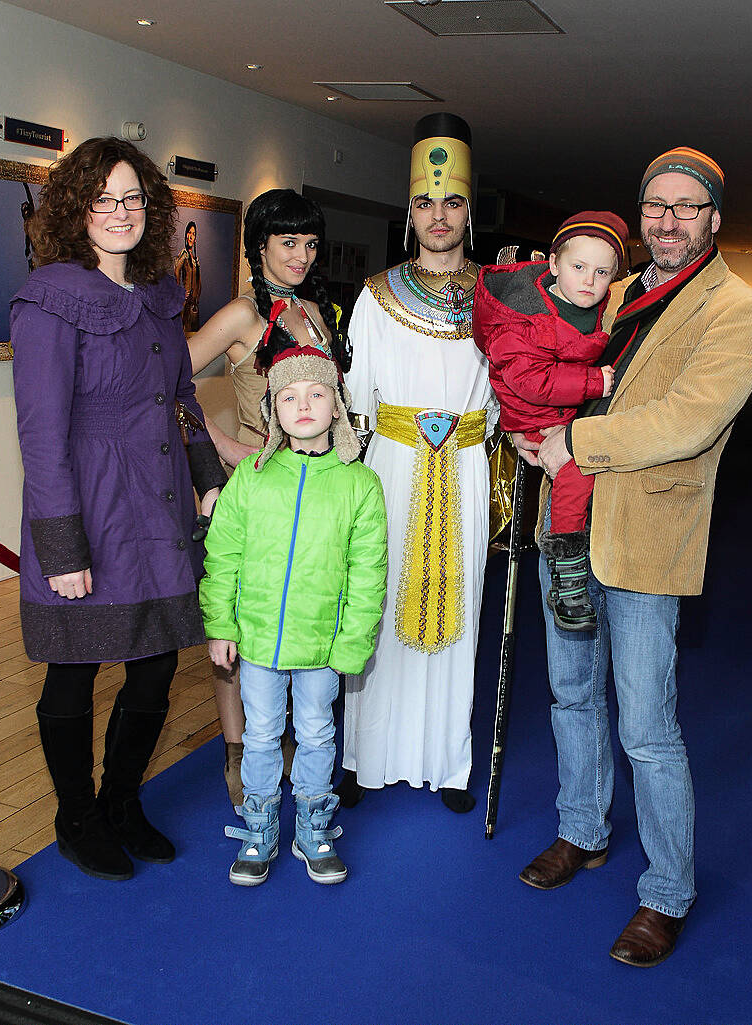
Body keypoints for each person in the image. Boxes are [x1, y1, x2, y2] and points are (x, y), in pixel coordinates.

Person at [515, 147, 752, 966]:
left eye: (684, 208)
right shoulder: (614, 289)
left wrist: (568, 440)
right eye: (653, 207)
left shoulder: (739, 309)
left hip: (645, 537)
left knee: (648, 727)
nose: (666, 221)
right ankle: (580, 830)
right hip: (570, 524)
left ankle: (665, 892)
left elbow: (684, 421)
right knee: (568, 695)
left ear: (713, 219)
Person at [10, 136, 227, 882]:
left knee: (156, 663)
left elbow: (183, 399)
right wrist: (63, 550)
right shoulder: (48, 300)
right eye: (103, 197)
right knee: (73, 668)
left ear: (152, 208)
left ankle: (122, 802)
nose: (119, 211)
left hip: (160, 502)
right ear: (76, 208)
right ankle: (76, 817)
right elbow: (41, 437)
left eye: (133, 197)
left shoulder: (162, 298)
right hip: (90, 507)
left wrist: (207, 475)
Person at [337, 113, 498, 814]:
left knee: (459, 606)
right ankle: (363, 757)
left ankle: (448, 762)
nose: (439, 216)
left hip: (463, 465)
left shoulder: (500, 298)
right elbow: (352, 401)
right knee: (376, 597)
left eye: (452, 202)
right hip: (393, 466)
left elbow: (508, 393)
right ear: (410, 211)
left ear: (468, 210)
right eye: (426, 203)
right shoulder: (374, 297)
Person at [200, 346, 387, 886]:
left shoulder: (358, 485)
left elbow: (367, 572)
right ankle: (259, 826)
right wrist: (221, 625)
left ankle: (313, 826)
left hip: (321, 646)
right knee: (260, 734)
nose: (303, 405)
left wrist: (352, 643)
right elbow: (224, 556)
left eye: (316, 393)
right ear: (273, 411)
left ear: (337, 405)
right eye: (289, 396)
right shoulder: (252, 479)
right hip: (257, 642)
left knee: (316, 733)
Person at [188, 189, 349, 806]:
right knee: (243, 619)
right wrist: (227, 449)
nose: (301, 255)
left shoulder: (317, 312)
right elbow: (167, 383)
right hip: (257, 493)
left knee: (304, 609)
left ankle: (287, 739)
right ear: (259, 247)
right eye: (287, 242)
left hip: (316, 492)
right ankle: (238, 750)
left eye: (310, 243)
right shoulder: (239, 316)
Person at [473, 211, 629, 631]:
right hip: (536, 416)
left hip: (561, 410)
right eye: (578, 267)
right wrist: (594, 381)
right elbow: (530, 380)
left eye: (601, 272)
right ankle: (566, 564)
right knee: (576, 471)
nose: (588, 281)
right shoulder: (521, 313)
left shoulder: (593, 307)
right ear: (554, 263)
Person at [174, 220, 201, 332]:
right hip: (185, 302)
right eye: (189, 233)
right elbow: (176, 270)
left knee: (192, 331)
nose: (191, 236)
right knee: (182, 331)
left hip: (193, 302)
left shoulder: (194, 259)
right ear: (186, 235)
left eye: (193, 234)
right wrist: (180, 291)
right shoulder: (184, 254)